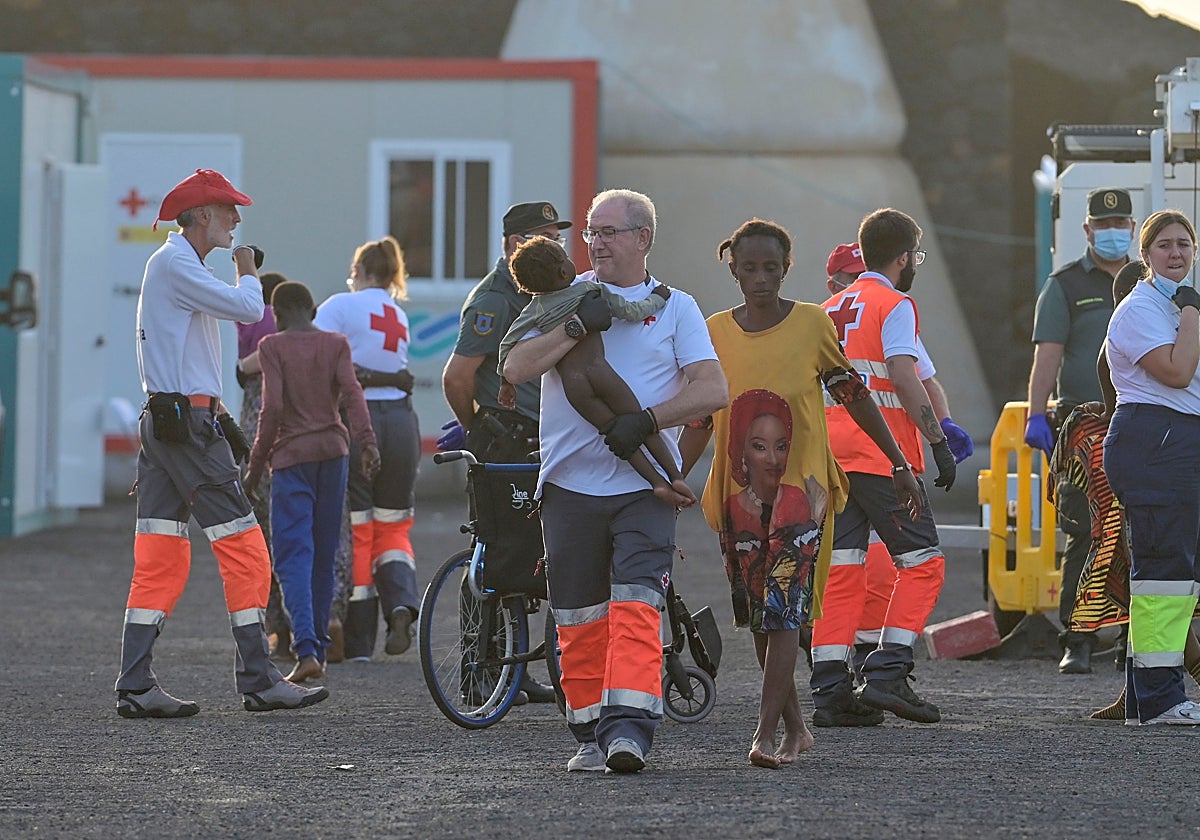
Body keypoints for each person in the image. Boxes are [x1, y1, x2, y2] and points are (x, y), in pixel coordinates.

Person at [677, 219, 923, 769]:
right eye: (749, 268)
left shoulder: (813, 323)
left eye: (771, 268)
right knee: (761, 618)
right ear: (733, 270)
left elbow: (854, 396)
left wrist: (898, 462)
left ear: (787, 269)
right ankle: (796, 728)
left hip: (803, 493)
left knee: (785, 612)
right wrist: (671, 476)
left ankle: (764, 733)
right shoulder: (713, 330)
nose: (760, 279)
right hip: (737, 494)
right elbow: (700, 418)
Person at [502, 188, 728, 774]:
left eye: (608, 232)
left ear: (643, 239)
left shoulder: (676, 306)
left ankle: (629, 730)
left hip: (644, 490)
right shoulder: (567, 297)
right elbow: (517, 367)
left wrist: (647, 421)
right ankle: (587, 730)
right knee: (578, 617)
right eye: (590, 234)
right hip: (568, 484)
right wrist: (577, 324)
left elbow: (712, 390)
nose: (594, 243)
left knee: (637, 605)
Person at [116, 168, 328, 717]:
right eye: (230, 209)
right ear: (203, 215)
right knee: (245, 546)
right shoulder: (178, 263)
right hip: (187, 426)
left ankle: (136, 683)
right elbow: (250, 309)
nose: (238, 219)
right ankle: (258, 678)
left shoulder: (176, 265)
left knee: (159, 556)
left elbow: (204, 345)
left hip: (169, 423)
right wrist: (249, 270)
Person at [810, 208, 957, 727]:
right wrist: (936, 439)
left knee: (841, 572)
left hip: (832, 461)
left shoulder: (827, 308)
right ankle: (890, 671)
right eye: (913, 256)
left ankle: (830, 689)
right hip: (882, 457)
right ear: (902, 258)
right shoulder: (895, 303)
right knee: (924, 563)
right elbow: (901, 372)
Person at [438, 201, 571, 705]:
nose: (556, 245)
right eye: (545, 236)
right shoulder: (494, 299)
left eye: (557, 237)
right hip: (507, 435)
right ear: (516, 243)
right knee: (493, 551)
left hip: (541, 434)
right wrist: (481, 427)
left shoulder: (542, 295)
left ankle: (514, 671)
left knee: (530, 553)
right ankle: (479, 667)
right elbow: (457, 377)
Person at [243, 281, 381, 683]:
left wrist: (254, 468)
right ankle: (318, 644)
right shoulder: (336, 343)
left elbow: (272, 410)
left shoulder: (272, 346)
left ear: (280, 313)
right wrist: (368, 444)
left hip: (291, 460)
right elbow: (353, 395)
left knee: (291, 557)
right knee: (323, 553)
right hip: (334, 455)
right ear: (312, 308)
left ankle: (305, 649)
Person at [1025, 188, 1136, 675]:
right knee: (1085, 531)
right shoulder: (1065, 284)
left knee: (1141, 532)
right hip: (1084, 424)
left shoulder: (1152, 282)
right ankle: (1079, 637)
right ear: (1087, 230)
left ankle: (1134, 640)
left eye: (1121, 224)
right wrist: (1034, 413)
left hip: (1141, 420)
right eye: (1102, 225)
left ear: (1133, 230)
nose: (1112, 232)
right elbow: (1047, 354)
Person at [501, 236, 694, 507]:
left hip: (574, 389)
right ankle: (674, 475)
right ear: (562, 270)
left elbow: (508, 344)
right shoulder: (586, 291)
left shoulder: (534, 309)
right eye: (566, 258)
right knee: (638, 424)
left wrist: (504, 382)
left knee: (615, 433)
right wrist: (658, 298)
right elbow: (631, 310)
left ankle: (657, 483)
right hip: (600, 373)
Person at [1103, 209, 1200, 726]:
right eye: (1164, 245)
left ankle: (1145, 697)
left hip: (1175, 440)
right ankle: (1162, 700)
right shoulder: (1142, 307)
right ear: (1145, 256)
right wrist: (1190, 314)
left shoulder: (1181, 305)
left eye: (1185, 243)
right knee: (1163, 573)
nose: (1177, 253)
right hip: (1154, 439)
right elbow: (1178, 373)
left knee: (1172, 573)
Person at [314, 236, 421, 662]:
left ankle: (358, 642)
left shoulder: (340, 305)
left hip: (360, 425)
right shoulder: (397, 313)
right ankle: (401, 604)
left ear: (357, 270)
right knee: (393, 526)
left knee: (359, 528)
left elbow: (313, 354)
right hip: (402, 425)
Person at [235, 271, 290, 659]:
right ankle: (301, 626)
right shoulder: (289, 328)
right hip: (292, 438)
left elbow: (238, 367)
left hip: (254, 426)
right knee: (293, 538)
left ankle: (272, 626)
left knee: (260, 540)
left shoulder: (248, 321)